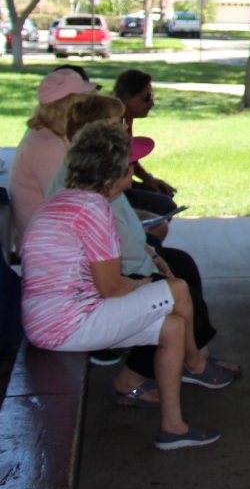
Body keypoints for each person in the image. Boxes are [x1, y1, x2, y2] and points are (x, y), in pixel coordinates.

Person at [21, 120, 223, 450]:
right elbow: (111, 289)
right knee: (178, 290)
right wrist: (146, 284)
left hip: (48, 318)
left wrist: (142, 285)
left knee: (171, 326)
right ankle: (195, 363)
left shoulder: (67, 199)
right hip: (65, 323)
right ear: (114, 174)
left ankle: (173, 428)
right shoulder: (94, 209)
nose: (134, 170)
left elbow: (102, 283)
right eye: (130, 166)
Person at [47, 94, 237, 391]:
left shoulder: (100, 171)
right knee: (172, 298)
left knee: (181, 264)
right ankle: (138, 375)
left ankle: (197, 352)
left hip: (129, 260)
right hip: (106, 274)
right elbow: (110, 254)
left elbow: (124, 223)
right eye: (115, 123)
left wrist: (152, 252)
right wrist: (149, 272)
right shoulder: (86, 182)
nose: (124, 128)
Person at [9, 67, 99, 238]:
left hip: (54, 236)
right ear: (67, 105)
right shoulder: (47, 146)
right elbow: (67, 206)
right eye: (82, 100)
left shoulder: (50, 134)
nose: (87, 106)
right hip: (50, 246)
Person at [112, 69, 177, 216]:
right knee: (164, 205)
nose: (152, 103)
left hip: (119, 184)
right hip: (109, 189)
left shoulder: (125, 118)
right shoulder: (112, 121)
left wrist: (148, 179)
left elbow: (130, 158)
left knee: (162, 194)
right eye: (147, 97)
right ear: (127, 96)